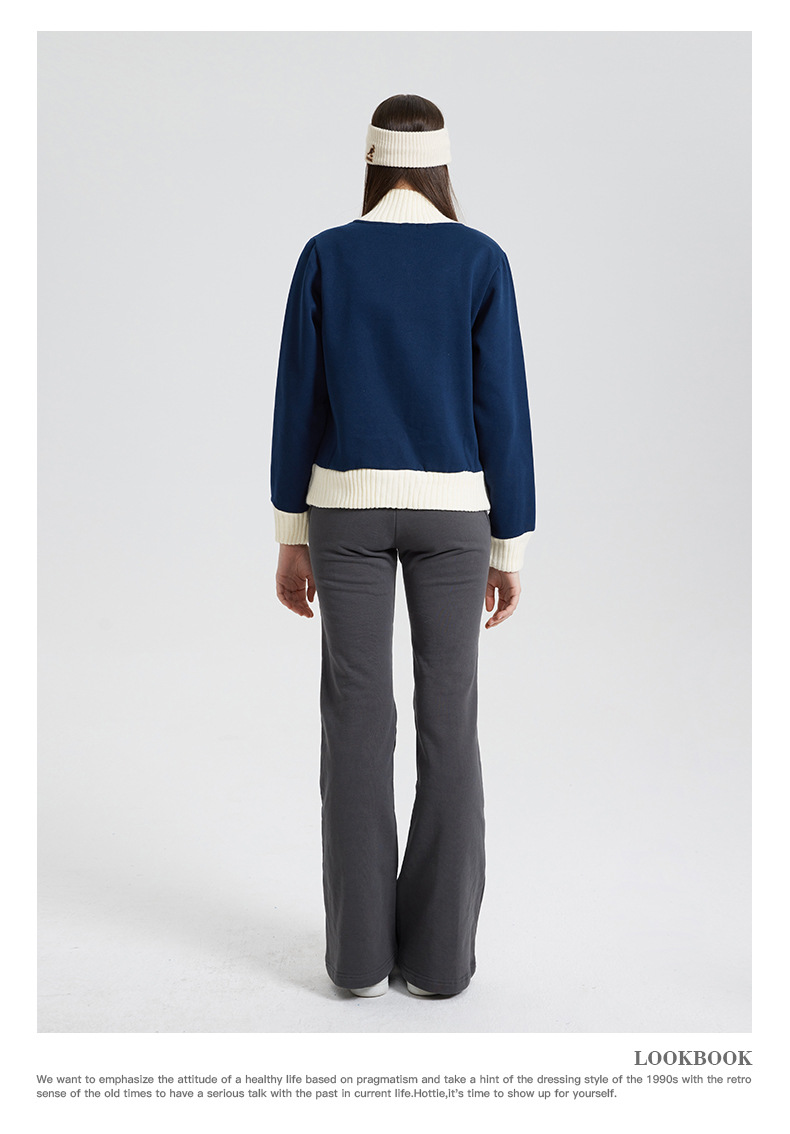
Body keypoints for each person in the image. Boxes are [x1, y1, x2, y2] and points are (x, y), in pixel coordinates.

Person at [270, 94, 536, 999]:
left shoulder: (327, 255)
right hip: (455, 520)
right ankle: (439, 962)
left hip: (343, 514)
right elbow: (503, 407)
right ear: (442, 165)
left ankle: (357, 962)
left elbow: (298, 401)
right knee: (449, 723)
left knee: (355, 721)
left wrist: (290, 533)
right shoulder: (480, 260)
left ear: (373, 161)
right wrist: (509, 544)